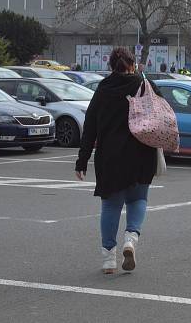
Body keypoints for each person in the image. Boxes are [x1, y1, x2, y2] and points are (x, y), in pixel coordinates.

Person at [75, 47, 160, 274]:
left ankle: (108, 260)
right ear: (132, 65)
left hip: (110, 157)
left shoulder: (102, 90)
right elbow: (162, 111)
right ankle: (131, 239)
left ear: (111, 66)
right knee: (138, 199)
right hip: (142, 153)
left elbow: (90, 127)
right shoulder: (143, 85)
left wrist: (82, 160)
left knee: (111, 206)